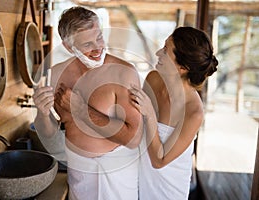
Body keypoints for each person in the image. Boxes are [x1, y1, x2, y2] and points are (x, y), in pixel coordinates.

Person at [33, 6, 143, 200]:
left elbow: (133, 139)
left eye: (99, 37)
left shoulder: (123, 73)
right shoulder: (56, 74)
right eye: (87, 44)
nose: (98, 47)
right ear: (68, 47)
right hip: (78, 171)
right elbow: (50, 132)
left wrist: (81, 110)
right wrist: (42, 113)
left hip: (117, 173)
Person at [129, 27, 218, 199]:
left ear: (182, 68)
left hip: (168, 191)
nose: (157, 53)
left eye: (165, 51)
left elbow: (159, 160)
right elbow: (137, 125)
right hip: (138, 181)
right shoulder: (153, 79)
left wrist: (150, 114)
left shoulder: (193, 112)